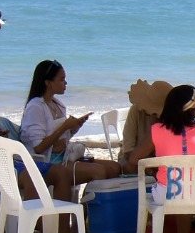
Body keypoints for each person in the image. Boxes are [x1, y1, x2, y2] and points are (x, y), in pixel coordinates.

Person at [19, 60, 123, 209]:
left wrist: (74, 128)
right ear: (48, 83)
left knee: (114, 167)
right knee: (98, 171)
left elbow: (63, 139)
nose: (65, 83)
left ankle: (91, 215)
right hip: (48, 162)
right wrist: (64, 127)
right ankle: (85, 214)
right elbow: (39, 147)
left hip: (64, 156)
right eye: (62, 79)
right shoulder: (36, 107)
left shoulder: (58, 104)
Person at [144, 84, 195, 233]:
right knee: (188, 186)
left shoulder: (156, 130)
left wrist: (153, 170)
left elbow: (133, 160)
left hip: (168, 193)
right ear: (193, 110)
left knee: (177, 187)